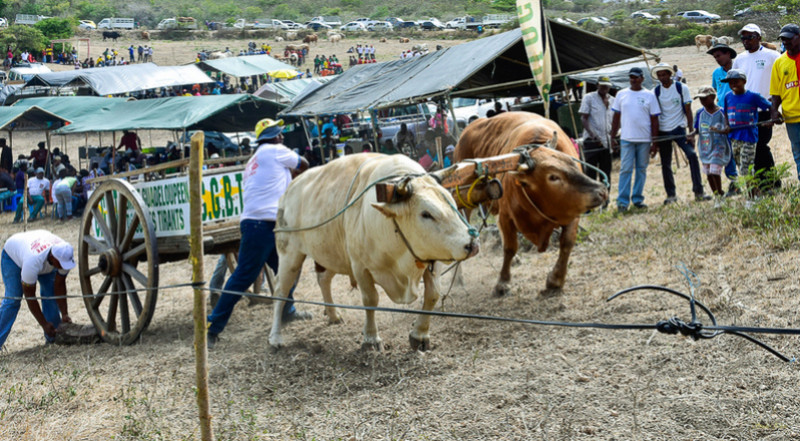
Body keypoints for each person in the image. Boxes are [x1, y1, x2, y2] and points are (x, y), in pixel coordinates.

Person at [207, 118, 311, 348]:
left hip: (261, 223)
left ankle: (287, 310)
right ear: (272, 136)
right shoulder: (274, 150)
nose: (282, 136)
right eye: (279, 133)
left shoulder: (253, 160)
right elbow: (303, 163)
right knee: (242, 277)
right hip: (263, 224)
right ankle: (212, 326)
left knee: (289, 269)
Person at [0, 231, 75, 350]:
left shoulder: (64, 254)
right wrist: (44, 324)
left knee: (50, 294)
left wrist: (65, 314)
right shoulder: (32, 262)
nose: (63, 267)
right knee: (13, 299)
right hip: (12, 257)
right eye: (61, 264)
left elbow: (59, 286)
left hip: (35, 251)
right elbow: (30, 296)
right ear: (52, 258)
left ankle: (53, 338)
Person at [651, 63, 709, 204]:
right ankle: (671, 195)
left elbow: (688, 110)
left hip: (679, 128)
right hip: (663, 130)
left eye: (664, 74)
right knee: (666, 163)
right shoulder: (655, 91)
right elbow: (654, 115)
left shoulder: (681, 88)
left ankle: (699, 191)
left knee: (692, 156)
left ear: (670, 74)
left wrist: (690, 132)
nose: (662, 77)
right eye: (659, 75)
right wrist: (655, 139)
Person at [732, 23, 780, 189]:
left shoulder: (772, 56)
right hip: (745, 112)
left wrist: (776, 109)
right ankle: (762, 184)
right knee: (750, 148)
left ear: (759, 38)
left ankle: (772, 183)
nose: (746, 40)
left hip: (765, 108)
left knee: (761, 146)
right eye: (743, 38)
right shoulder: (739, 59)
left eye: (750, 37)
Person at [610, 67, 660, 212]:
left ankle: (637, 199)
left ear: (642, 78)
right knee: (625, 169)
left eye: (636, 77)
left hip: (644, 139)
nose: (634, 79)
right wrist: (613, 137)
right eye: (631, 77)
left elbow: (654, 120)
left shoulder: (649, 95)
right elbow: (616, 118)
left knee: (641, 169)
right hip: (627, 139)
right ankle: (622, 202)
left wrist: (654, 142)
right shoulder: (621, 94)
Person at [719, 69, 772, 201]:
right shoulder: (727, 97)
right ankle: (756, 191)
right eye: (730, 83)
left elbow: (769, 106)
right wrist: (727, 125)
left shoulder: (753, 96)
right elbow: (726, 113)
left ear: (744, 81)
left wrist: (772, 119)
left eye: (736, 81)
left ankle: (751, 197)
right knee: (741, 166)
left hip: (749, 137)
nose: (733, 85)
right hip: (734, 137)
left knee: (746, 168)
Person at [707, 43, 740, 195]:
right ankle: (735, 182)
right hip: (722, 114)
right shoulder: (716, 73)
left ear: (728, 54)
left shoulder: (739, 68)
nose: (717, 59)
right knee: (727, 150)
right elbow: (716, 91)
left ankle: (752, 179)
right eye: (715, 57)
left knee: (741, 148)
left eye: (719, 56)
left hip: (739, 112)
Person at [770, 23, 800, 181]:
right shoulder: (779, 62)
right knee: (798, 153)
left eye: (789, 39)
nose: (786, 42)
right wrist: (774, 111)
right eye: (783, 39)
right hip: (792, 117)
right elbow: (775, 93)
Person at [693, 86, 730, 208]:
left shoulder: (722, 112)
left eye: (705, 98)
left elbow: (727, 129)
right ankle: (717, 195)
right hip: (705, 147)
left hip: (718, 147)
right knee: (708, 172)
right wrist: (690, 135)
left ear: (713, 97)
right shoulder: (699, 113)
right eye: (700, 99)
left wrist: (719, 130)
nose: (702, 101)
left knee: (715, 170)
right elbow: (697, 129)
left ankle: (719, 192)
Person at [579, 75, 615, 192]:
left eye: (607, 86)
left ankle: (605, 198)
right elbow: (584, 118)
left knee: (606, 173)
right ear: (597, 85)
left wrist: (614, 135)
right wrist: (593, 135)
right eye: (602, 85)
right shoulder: (589, 98)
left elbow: (615, 120)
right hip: (592, 141)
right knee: (591, 173)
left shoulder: (613, 100)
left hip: (607, 141)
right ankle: (591, 200)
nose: (604, 87)